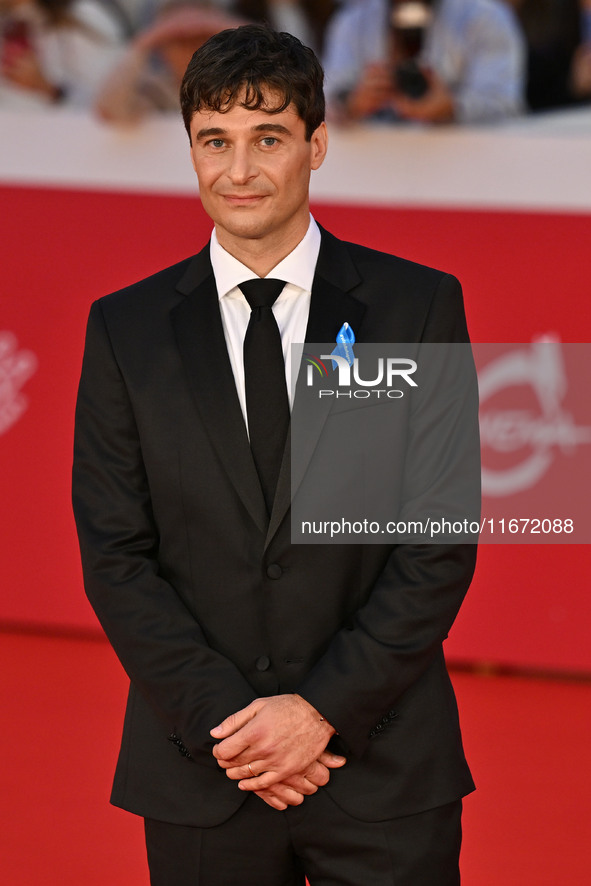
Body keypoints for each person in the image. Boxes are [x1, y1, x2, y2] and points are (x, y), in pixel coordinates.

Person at [72, 23, 478, 886]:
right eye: (213, 142)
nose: (239, 171)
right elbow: (115, 554)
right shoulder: (125, 329)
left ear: (316, 145)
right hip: (204, 771)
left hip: (382, 771)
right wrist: (236, 726)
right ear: (189, 149)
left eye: (267, 139)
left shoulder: (414, 306)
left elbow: (435, 544)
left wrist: (320, 712)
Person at [322, 0, 526, 124]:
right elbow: (324, 99)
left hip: (465, 170)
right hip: (373, 169)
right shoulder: (353, 21)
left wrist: (451, 108)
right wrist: (353, 102)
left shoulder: (486, 17)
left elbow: (504, 103)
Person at [0, 0, 124, 108]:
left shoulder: (82, 16)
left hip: (72, 131)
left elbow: (111, 103)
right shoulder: (12, 21)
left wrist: (48, 88)